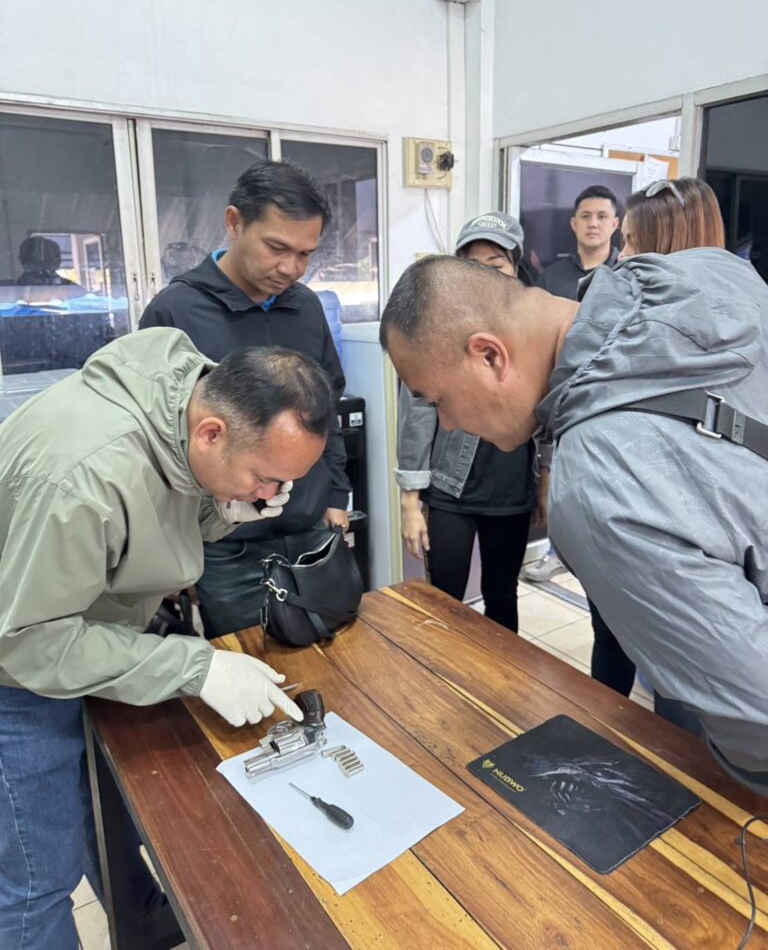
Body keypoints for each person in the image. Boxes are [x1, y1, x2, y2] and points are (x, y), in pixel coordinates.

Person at [379, 201, 768, 793]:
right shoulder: (709, 272)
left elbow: (758, 719)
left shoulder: (596, 489)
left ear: (490, 354)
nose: (448, 424)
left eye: (438, 401)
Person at [0, 326, 335, 948]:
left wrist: (221, 509)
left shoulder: (183, 400)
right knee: (36, 879)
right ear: (211, 434)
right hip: (17, 668)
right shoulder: (83, 476)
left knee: (105, 812)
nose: (272, 497)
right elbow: (28, 642)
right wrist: (193, 666)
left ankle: (146, 929)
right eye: (264, 478)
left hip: (85, 625)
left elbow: (155, 508)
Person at [140, 160, 352, 638]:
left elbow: (327, 410)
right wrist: (168, 551)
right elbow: (154, 442)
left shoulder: (306, 306)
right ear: (235, 223)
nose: (290, 268)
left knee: (332, 653)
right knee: (248, 661)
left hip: (309, 528)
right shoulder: (175, 311)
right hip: (224, 546)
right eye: (277, 248)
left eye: (305, 253)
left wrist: (337, 495)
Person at [397, 213, 538, 632]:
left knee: (502, 596)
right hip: (449, 489)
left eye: (497, 262)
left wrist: (547, 477)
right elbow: (418, 412)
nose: (486, 274)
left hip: (512, 491)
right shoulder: (437, 328)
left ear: (515, 266)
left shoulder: (538, 327)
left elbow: (550, 410)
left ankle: (500, 673)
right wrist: (409, 500)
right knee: (444, 602)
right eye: (473, 265)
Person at [524, 184, 620, 584]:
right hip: (561, 399)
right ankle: (557, 551)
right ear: (573, 224)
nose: (593, 223)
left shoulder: (628, 276)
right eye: (586, 216)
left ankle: (605, 562)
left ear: (615, 224)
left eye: (602, 216)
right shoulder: (551, 278)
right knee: (558, 482)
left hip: (610, 399)